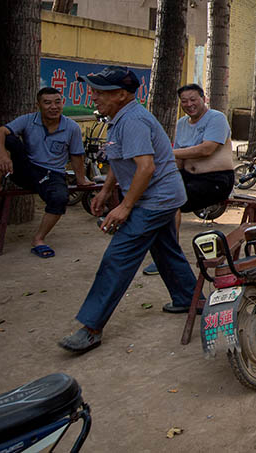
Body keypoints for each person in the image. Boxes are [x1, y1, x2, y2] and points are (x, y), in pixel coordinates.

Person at [59, 66, 198, 353]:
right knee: (166, 251)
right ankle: (190, 299)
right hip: (161, 196)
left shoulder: (132, 121)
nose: (93, 97)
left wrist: (124, 206)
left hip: (156, 199)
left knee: (117, 257)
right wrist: (107, 189)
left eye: (100, 92)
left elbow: (146, 168)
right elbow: (124, 160)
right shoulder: (120, 118)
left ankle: (91, 327)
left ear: (121, 95)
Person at [0, 87, 91, 258]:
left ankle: (39, 239)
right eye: (47, 102)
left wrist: (81, 179)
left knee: (60, 198)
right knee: (4, 139)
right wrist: (2, 156)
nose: (53, 106)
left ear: (62, 103)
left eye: (57, 102)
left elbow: (76, 156)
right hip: (26, 168)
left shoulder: (71, 127)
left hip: (52, 175)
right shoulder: (29, 120)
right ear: (38, 105)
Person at [141, 83, 234, 281]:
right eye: (184, 101)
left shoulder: (216, 118)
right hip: (189, 177)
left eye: (193, 99)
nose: (189, 104)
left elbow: (206, 150)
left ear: (203, 99)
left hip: (216, 180)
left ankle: (170, 256)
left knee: (172, 200)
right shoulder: (182, 123)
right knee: (154, 192)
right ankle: (162, 250)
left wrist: (166, 153)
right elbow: (179, 159)